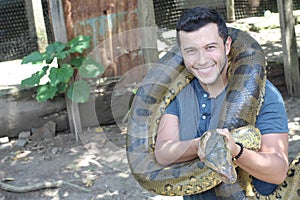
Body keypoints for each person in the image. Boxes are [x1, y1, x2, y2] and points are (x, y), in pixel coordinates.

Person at [154, 7, 289, 199]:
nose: (201, 60)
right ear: (182, 54)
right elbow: (163, 153)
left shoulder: (266, 94)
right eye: (191, 51)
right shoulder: (181, 96)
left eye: (210, 47)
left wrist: (235, 151)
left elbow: (277, 172)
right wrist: (202, 145)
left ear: (227, 46)